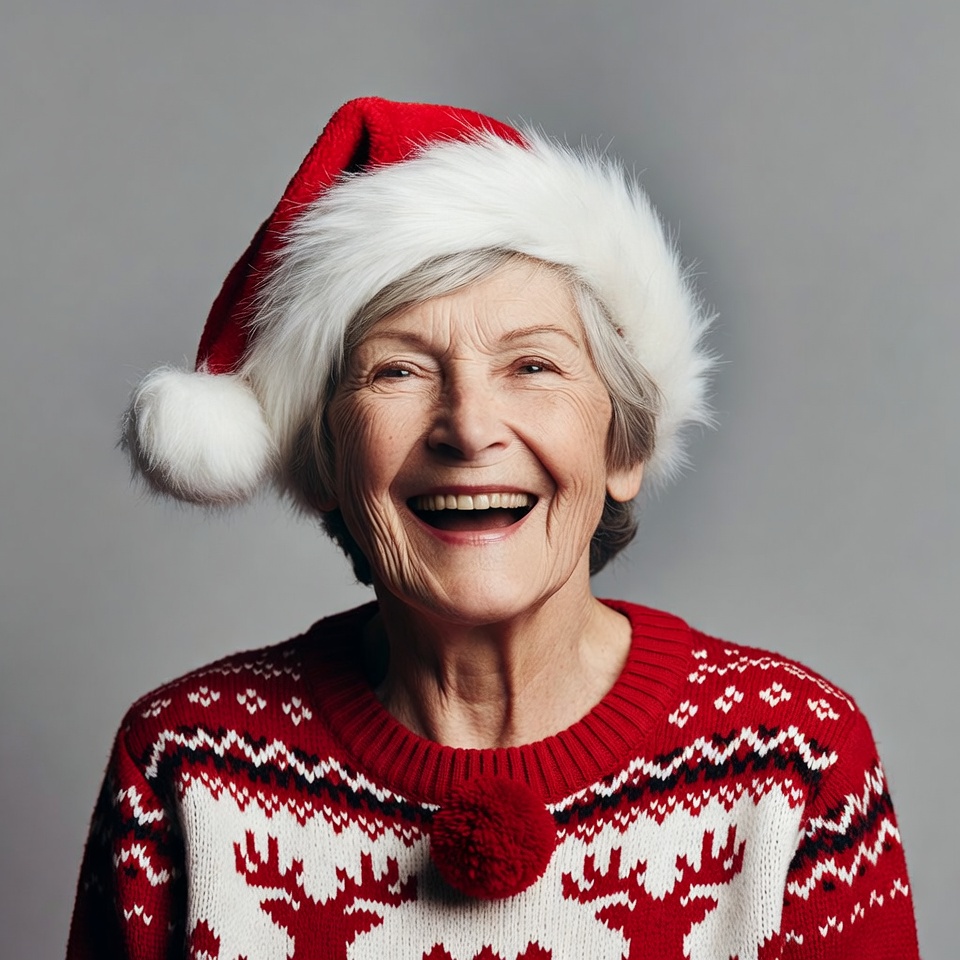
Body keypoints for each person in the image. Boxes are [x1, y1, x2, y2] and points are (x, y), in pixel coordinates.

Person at [66, 97, 921, 960]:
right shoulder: (185, 766)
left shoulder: (794, 761)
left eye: (533, 365)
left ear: (624, 442)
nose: (469, 429)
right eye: (397, 370)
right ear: (325, 458)